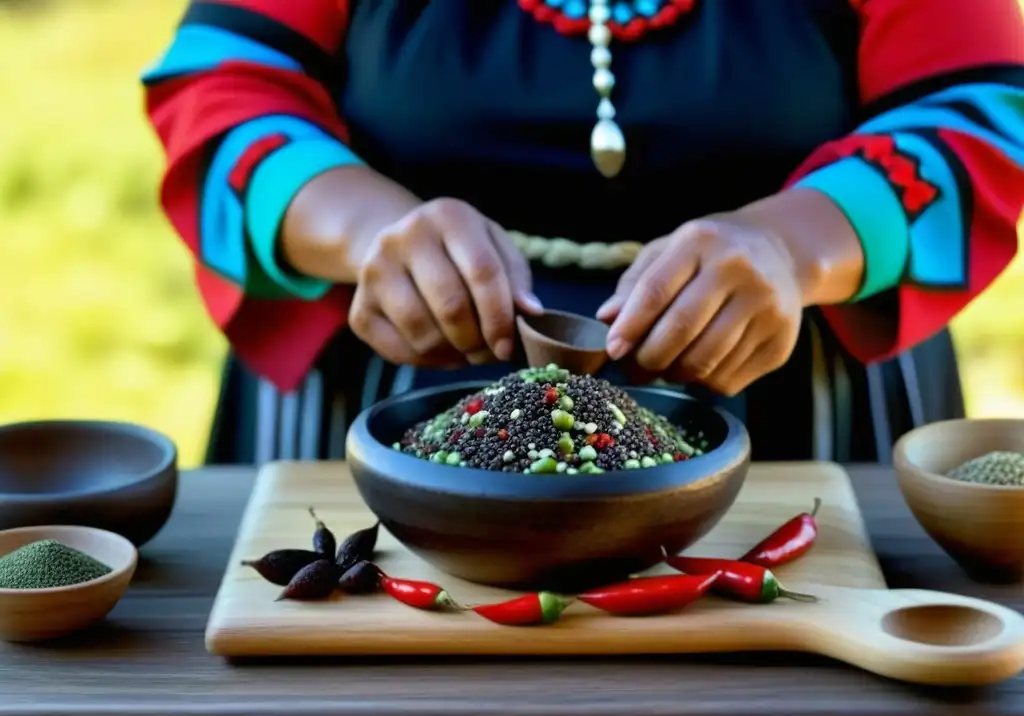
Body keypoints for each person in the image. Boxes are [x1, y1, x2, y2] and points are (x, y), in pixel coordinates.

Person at [143, 0, 1024, 465]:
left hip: (798, 413)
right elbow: (226, 87)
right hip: (391, 392)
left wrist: (795, 247)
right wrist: (367, 230)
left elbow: (980, 116)